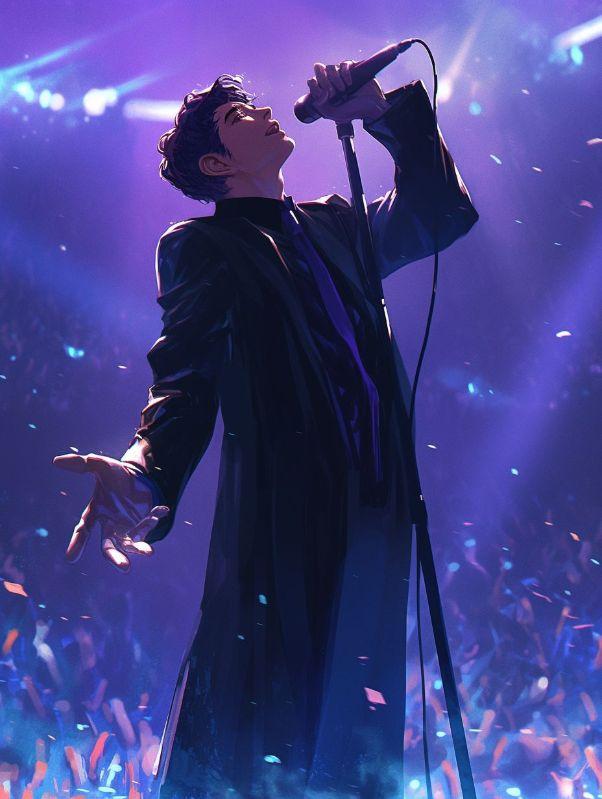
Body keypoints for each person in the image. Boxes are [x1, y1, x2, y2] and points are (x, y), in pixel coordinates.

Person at [54, 59, 479, 798]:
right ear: (217, 164)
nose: (260, 111)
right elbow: (184, 376)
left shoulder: (335, 224)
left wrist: (384, 113)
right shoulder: (202, 246)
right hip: (287, 520)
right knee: (270, 725)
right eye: (237, 116)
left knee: (357, 732)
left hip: (375, 514)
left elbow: (440, 211)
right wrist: (144, 468)